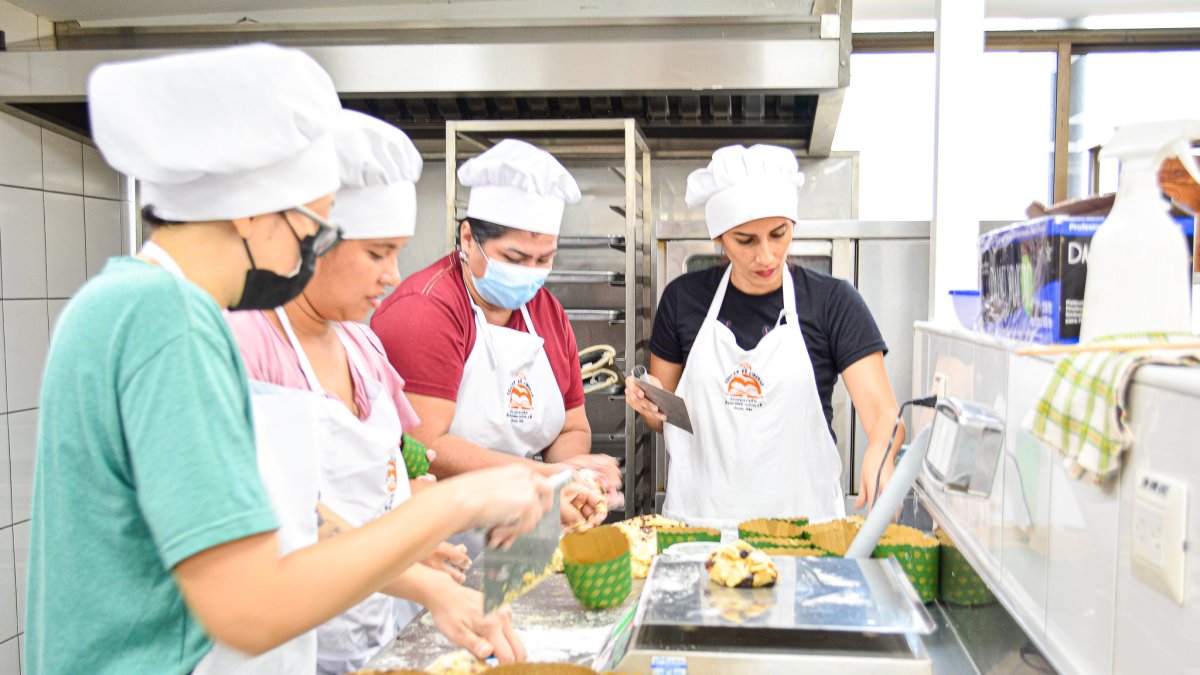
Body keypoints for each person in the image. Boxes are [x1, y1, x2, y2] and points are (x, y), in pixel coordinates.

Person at [26, 44, 550, 675]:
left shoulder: (125, 303)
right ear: (251, 209)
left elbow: (284, 520)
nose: (309, 253)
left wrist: (427, 584)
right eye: (315, 230)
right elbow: (248, 608)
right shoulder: (168, 323)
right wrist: (460, 503)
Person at [224, 110, 514, 674]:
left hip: (383, 638)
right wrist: (427, 573)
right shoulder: (246, 341)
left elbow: (404, 473)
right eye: (378, 253)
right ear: (315, 241)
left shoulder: (362, 345)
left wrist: (512, 502)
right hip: (298, 645)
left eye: (398, 253)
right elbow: (278, 519)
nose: (392, 274)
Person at [625, 144, 903, 529]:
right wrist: (649, 400)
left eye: (779, 234)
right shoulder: (683, 299)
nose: (768, 256)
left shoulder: (833, 302)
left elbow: (882, 414)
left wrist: (883, 449)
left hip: (805, 534)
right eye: (746, 240)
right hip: (700, 529)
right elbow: (665, 420)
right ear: (720, 237)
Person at [372, 139, 622, 524]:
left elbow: (571, 425)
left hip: (524, 517)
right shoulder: (424, 311)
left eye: (545, 259)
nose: (530, 272)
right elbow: (426, 445)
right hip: (437, 525)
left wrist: (576, 471)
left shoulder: (547, 313)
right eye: (515, 258)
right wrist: (548, 477)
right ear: (468, 238)